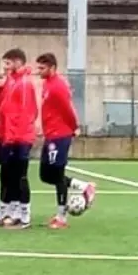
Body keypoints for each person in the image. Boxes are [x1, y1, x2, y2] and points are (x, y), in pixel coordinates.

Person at [36, 53, 97, 228]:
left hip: (60, 135)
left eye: (42, 68)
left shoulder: (58, 86)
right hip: (51, 134)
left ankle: (61, 217)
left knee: (55, 174)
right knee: (45, 175)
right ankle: (84, 186)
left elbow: (67, 109)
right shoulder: (47, 84)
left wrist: (74, 126)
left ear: (52, 68)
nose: (38, 71)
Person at [0, 48, 36, 228]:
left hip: (19, 138)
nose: (5, 67)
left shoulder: (24, 83)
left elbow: (24, 114)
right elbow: (4, 110)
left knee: (20, 175)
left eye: (8, 63)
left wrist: (13, 137)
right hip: (8, 136)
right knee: (7, 175)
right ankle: (7, 209)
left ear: (18, 62)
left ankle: (23, 214)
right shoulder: (11, 82)